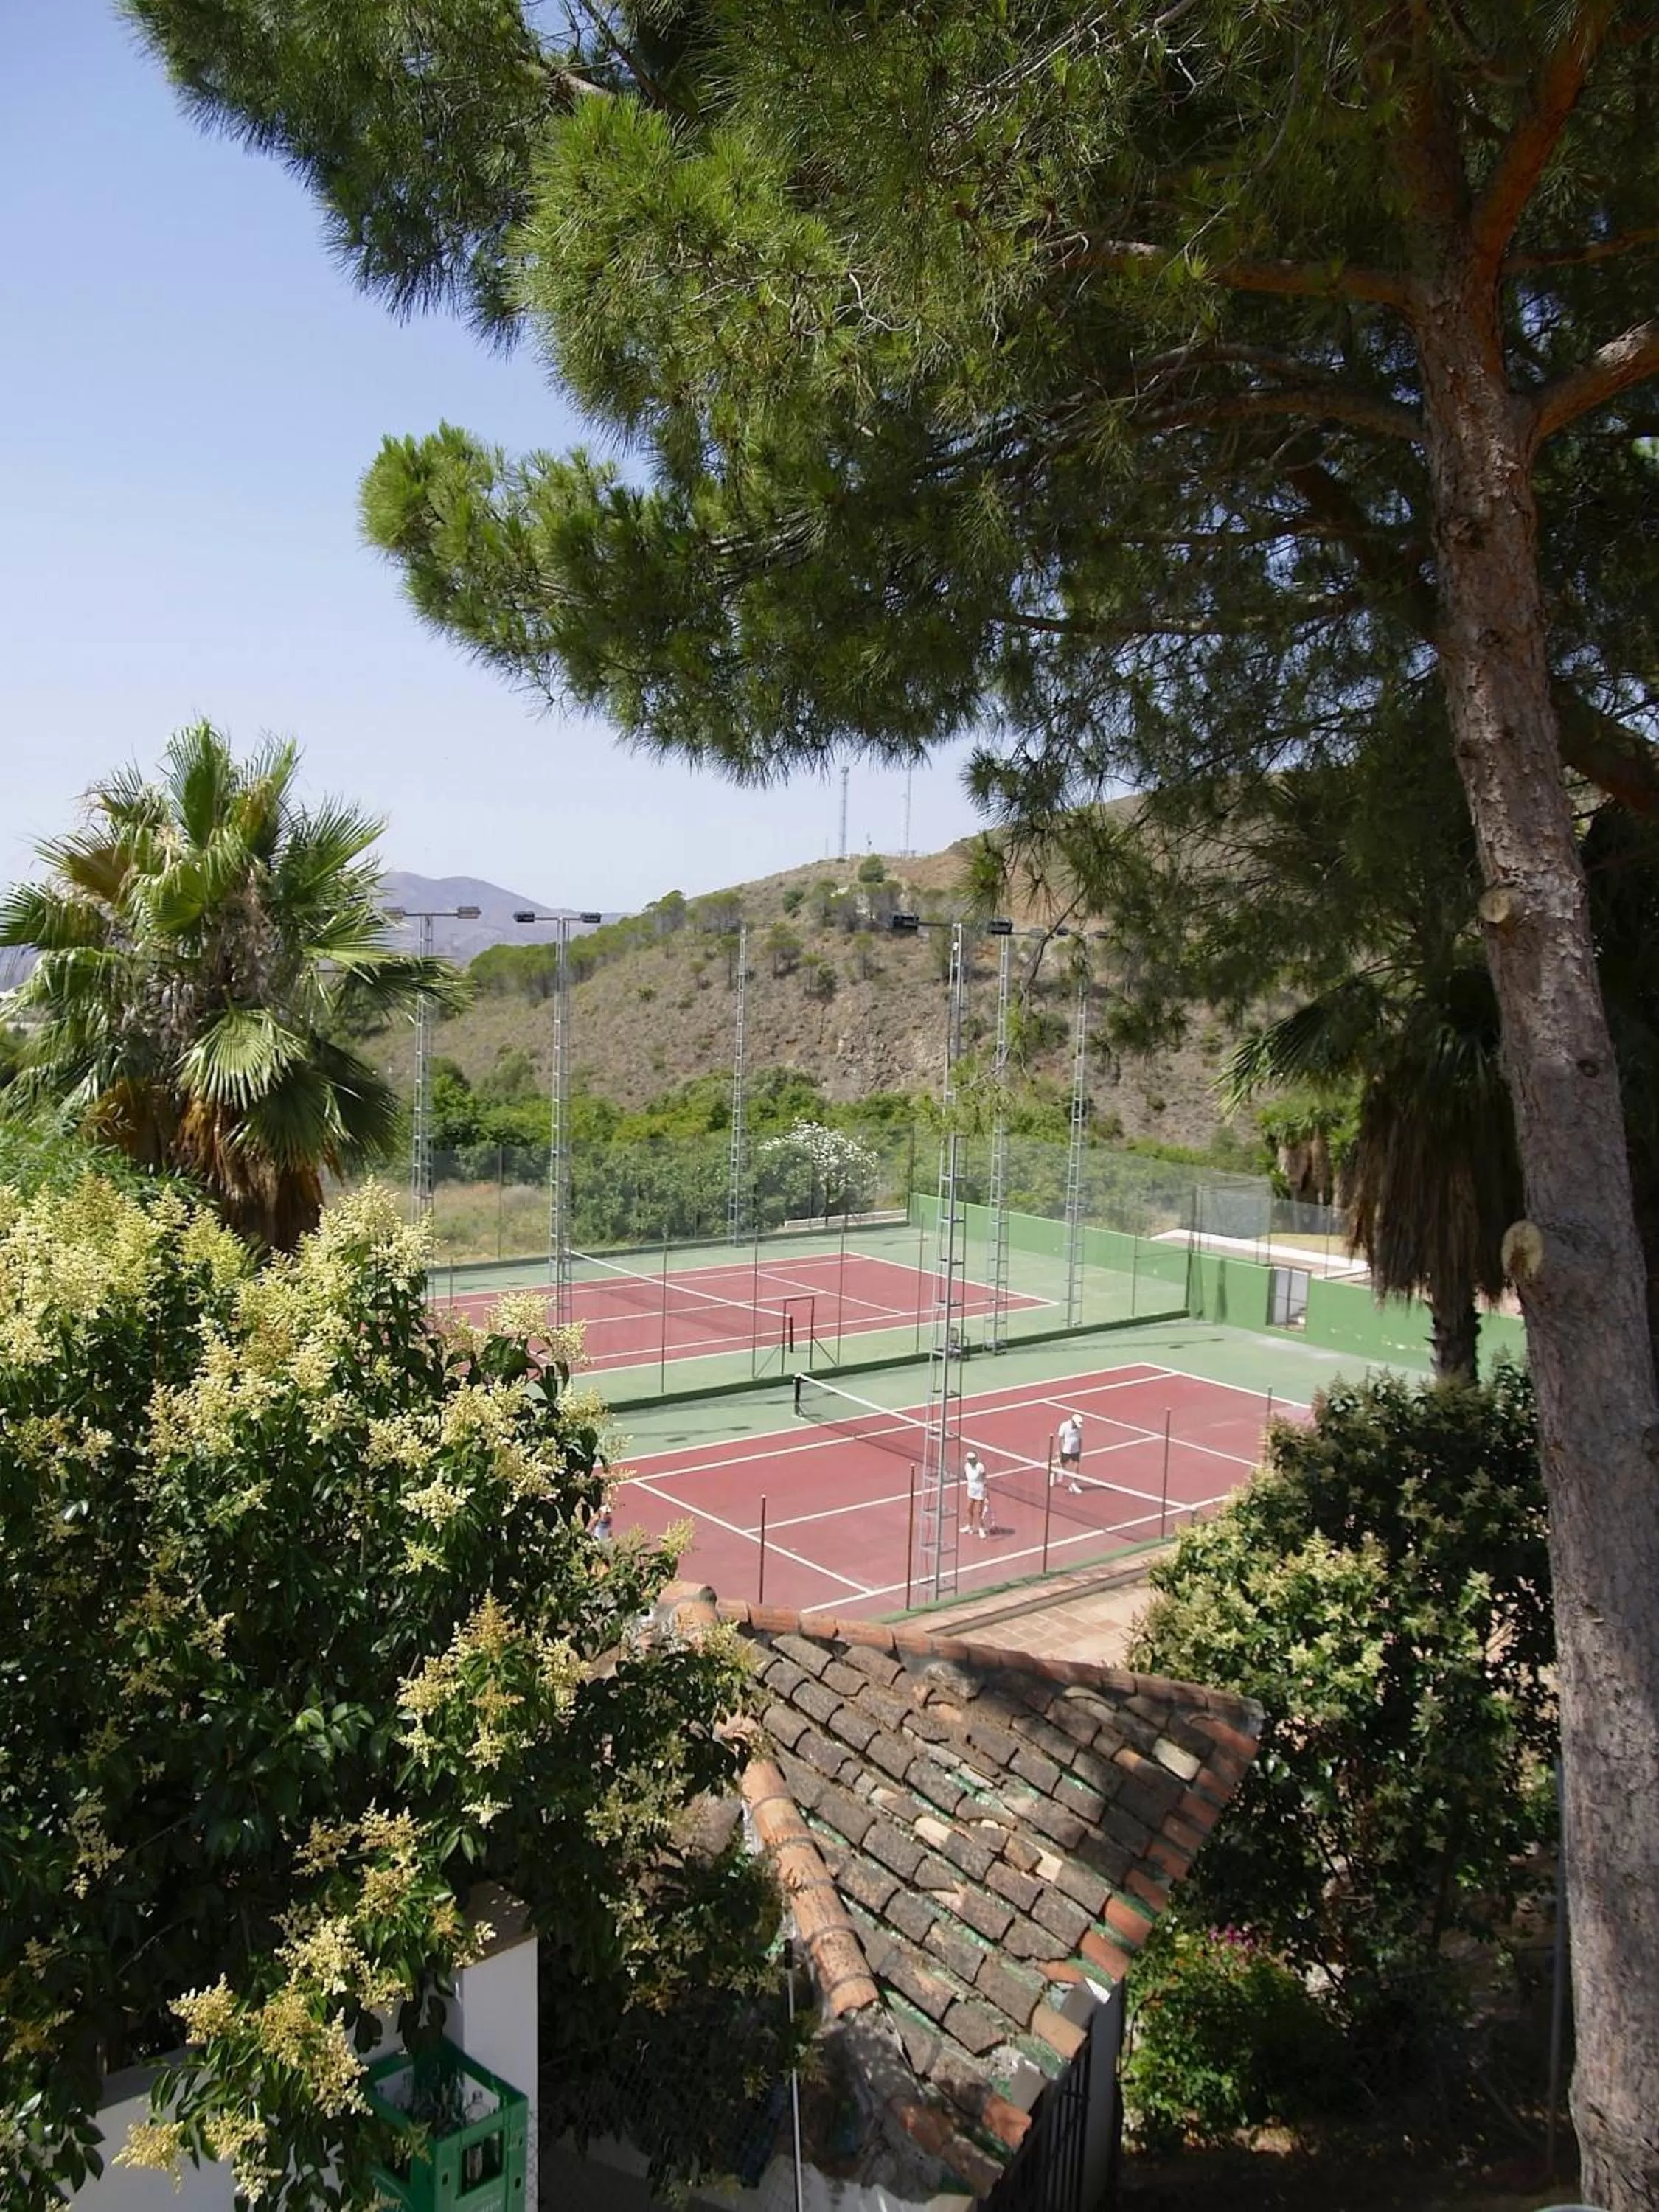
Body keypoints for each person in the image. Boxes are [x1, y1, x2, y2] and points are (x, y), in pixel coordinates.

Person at [961, 1448, 990, 1540]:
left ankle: (981, 1528)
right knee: (969, 1508)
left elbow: (984, 1478)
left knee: (979, 1511)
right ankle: (970, 1526)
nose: (967, 1460)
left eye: (969, 1459)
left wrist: (986, 1492)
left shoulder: (980, 1466)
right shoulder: (967, 1466)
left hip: (979, 1490)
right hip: (971, 1490)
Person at [1056, 1412, 1084, 1495]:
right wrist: (1058, 1450)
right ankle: (1055, 1472)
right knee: (1063, 1466)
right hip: (1066, 1450)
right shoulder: (1064, 1425)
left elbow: (1080, 1439)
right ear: (1072, 1421)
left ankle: (1074, 1484)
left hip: (1076, 1450)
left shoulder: (1079, 1428)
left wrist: (1080, 1451)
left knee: (1076, 1466)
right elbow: (1060, 1438)